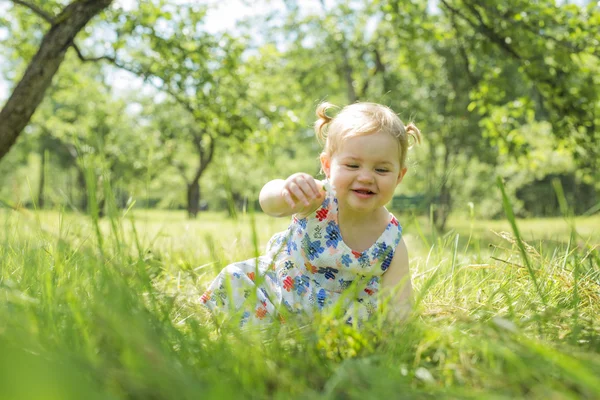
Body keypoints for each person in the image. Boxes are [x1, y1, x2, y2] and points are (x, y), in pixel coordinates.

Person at [200, 101, 421, 327]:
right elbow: (269, 202)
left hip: (339, 320)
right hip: (282, 292)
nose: (365, 177)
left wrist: (394, 334)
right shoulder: (317, 198)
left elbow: (400, 303)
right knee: (238, 282)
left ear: (399, 176)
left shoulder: (390, 239)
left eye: (381, 169)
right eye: (353, 166)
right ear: (327, 166)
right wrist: (286, 189)